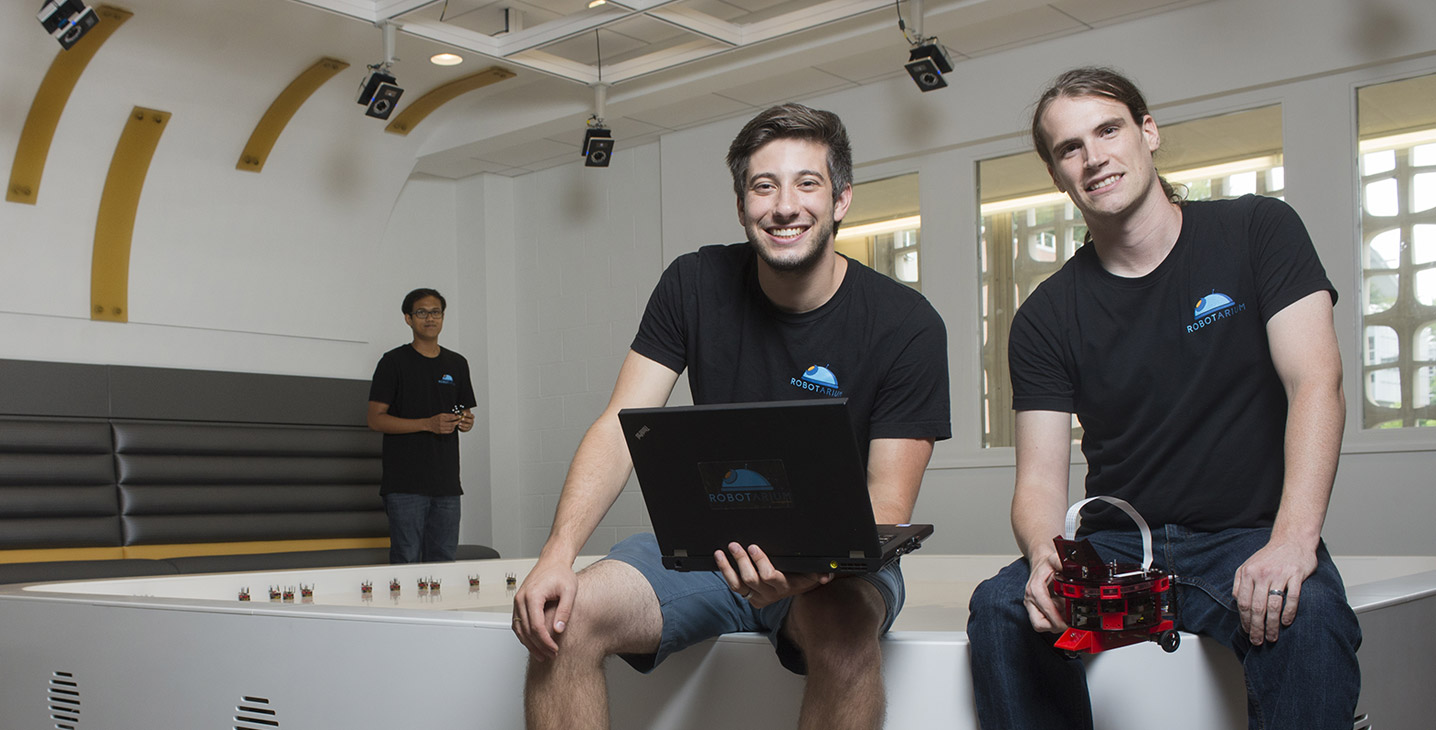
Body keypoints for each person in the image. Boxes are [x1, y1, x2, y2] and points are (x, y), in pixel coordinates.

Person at [512, 103, 951, 730]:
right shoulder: (693, 283)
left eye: (807, 183)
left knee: (845, 632)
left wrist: (805, 572)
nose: (784, 206)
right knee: (565, 617)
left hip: (836, 567)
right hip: (710, 552)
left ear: (841, 199)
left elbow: (887, 502)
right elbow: (619, 425)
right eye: (763, 185)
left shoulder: (906, 324)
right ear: (742, 202)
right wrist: (559, 552)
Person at [965, 67, 1361, 729]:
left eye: (1109, 129)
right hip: (1122, 547)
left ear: (1148, 131)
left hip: (1246, 534)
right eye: (1069, 148)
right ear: (1056, 173)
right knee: (1005, 606)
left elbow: (1315, 383)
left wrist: (1295, 541)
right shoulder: (1045, 315)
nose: (1094, 157)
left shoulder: (1258, 230)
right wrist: (1044, 558)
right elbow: (1038, 477)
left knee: (1310, 614)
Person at [367, 288, 476, 564]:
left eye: (436, 312)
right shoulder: (393, 363)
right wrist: (427, 424)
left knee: (444, 561)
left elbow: (463, 411)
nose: (430, 318)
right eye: (422, 312)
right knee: (407, 560)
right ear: (408, 319)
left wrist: (465, 421)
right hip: (405, 484)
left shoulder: (457, 363)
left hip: (447, 484)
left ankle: (440, 610)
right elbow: (375, 419)